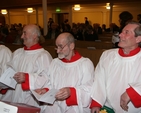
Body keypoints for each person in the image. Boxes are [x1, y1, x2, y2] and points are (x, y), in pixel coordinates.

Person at [35, 32, 94, 113]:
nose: (58, 51)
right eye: (56, 47)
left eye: (61, 47)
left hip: (73, 108)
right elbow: (50, 83)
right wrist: (45, 90)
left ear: (71, 46)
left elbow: (89, 89)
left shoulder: (85, 64)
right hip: (54, 108)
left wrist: (71, 92)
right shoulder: (55, 63)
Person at [90, 21, 141, 113]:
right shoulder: (107, 55)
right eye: (122, 32)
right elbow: (99, 79)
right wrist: (96, 102)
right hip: (107, 107)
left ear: (138, 39)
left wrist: (132, 92)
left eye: (126, 32)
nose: (120, 35)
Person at [1, 24, 53, 111]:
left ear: (34, 36)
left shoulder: (43, 55)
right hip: (14, 95)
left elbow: (48, 79)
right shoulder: (18, 53)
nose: (21, 36)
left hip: (31, 98)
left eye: (25, 33)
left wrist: (27, 78)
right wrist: (3, 84)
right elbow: (9, 72)